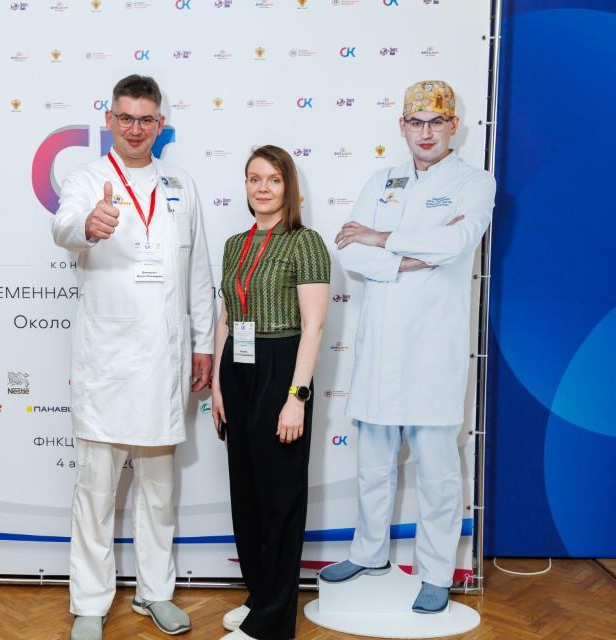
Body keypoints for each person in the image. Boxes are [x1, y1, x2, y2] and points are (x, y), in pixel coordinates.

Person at [319, 80, 496, 614]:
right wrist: (415, 258)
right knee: (373, 464)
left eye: (436, 122)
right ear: (402, 125)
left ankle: (436, 571)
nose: (426, 132)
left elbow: (456, 243)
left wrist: (382, 239)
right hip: (379, 347)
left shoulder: (475, 182)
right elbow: (350, 253)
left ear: (453, 126)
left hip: (433, 351)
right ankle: (368, 553)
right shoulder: (383, 180)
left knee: (438, 470)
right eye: (416, 122)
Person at [51, 75, 215, 640]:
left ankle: (155, 593)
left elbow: (198, 270)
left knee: (159, 492)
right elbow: (64, 226)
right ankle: (89, 603)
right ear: (110, 120)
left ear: (160, 123)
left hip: (164, 360)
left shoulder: (180, 184)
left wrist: (203, 343)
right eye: (126, 118)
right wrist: (87, 226)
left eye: (146, 119)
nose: (136, 129)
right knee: (95, 492)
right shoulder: (86, 179)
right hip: (106, 361)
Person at [211, 146, 330, 640]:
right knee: (247, 491)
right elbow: (225, 316)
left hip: (282, 367)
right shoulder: (235, 244)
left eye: (274, 179)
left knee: (280, 495)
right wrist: (218, 385)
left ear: (288, 187)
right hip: (237, 370)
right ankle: (260, 596)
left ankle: (273, 623)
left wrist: (296, 396)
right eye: (254, 178)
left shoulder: (305, 242)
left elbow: (314, 326)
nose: (263, 188)